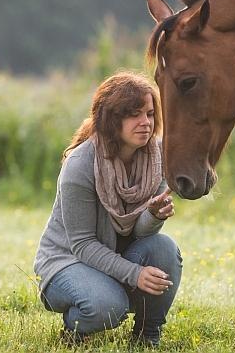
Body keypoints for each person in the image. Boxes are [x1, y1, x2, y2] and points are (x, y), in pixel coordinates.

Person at [33, 71, 182, 347]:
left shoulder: (158, 157)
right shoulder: (80, 165)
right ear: (111, 120)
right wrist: (134, 274)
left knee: (164, 248)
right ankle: (75, 328)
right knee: (108, 306)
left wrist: (152, 215)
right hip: (68, 262)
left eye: (149, 114)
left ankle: (147, 335)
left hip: (116, 256)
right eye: (134, 114)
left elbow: (139, 233)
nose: (145, 123)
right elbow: (83, 245)